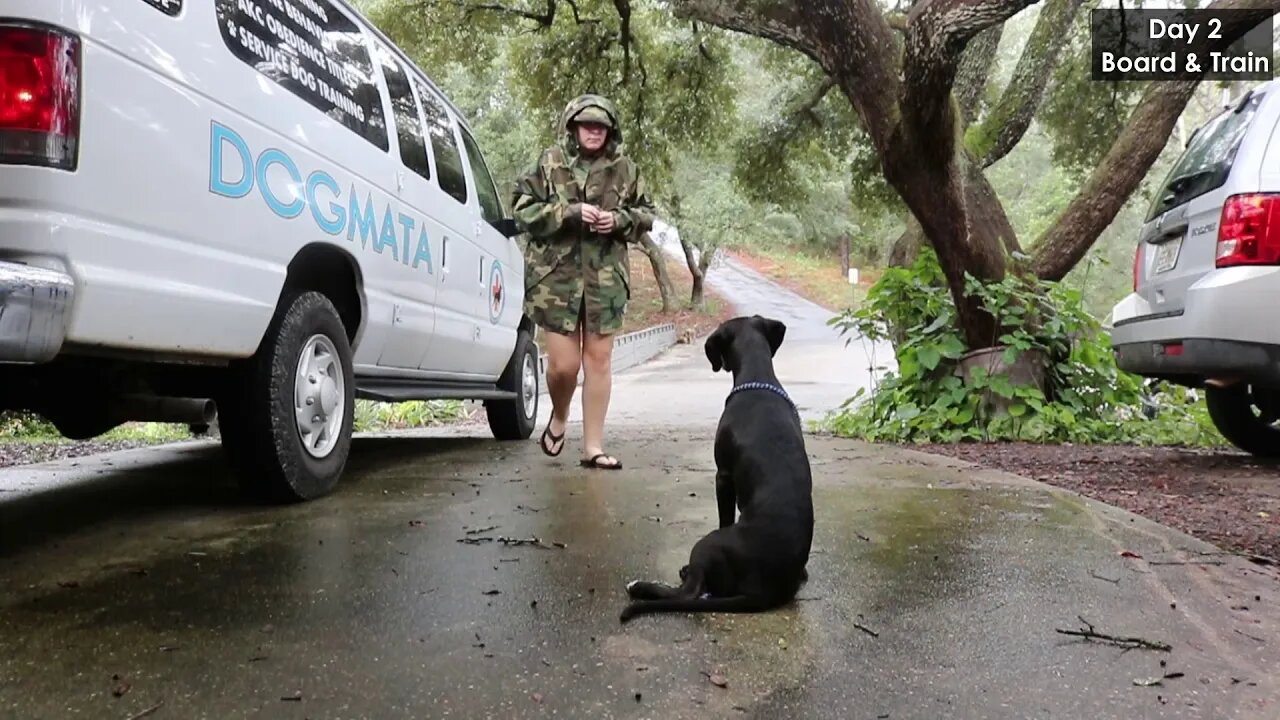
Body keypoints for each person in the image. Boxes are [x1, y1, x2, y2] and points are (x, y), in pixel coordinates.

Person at [511, 94, 655, 470]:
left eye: (601, 125)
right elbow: (521, 207)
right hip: (554, 281)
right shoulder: (549, 161)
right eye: (587, 124)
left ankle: (593, 446)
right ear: (573, 126)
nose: (594, 131)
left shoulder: (626, 169)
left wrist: (620, 221)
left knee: (599, 361)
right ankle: (559, 416)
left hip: (605, 279)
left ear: (610, 130)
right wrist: (568, 213)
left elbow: (646, 213)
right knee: (563, 367)